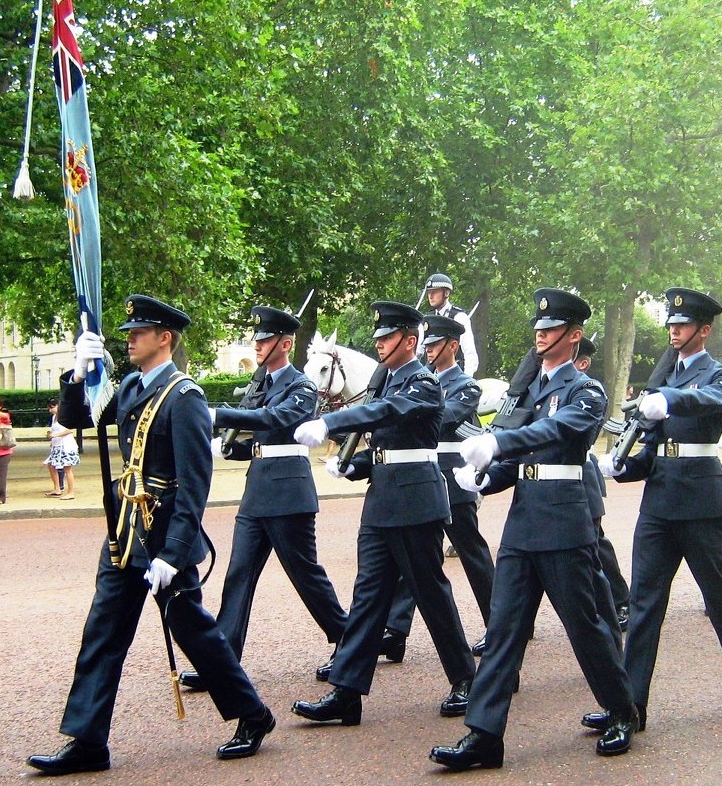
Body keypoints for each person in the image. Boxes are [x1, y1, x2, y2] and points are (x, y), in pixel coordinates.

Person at [27, 295, 274, 775]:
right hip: (124, 531)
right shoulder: (131, 388)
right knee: (103, 630)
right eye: (128, 333)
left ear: (165, 338)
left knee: (192, 631)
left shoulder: (186, 398)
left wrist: (176, 551)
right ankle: (88, 740)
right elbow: (81, 419)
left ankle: (252, 714)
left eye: (138, 333)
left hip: (163, 537)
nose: (130, 339)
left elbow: (194, 483)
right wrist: (79, 375)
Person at [429, 289, 636, 771]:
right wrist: (482, 476)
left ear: (574, 335)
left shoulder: (586, 390)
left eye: (551, 328)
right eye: (538, 329)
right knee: (503, 632)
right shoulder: (529, 391)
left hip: (565, 525)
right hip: (524, 526)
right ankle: (483, 735)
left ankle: (622, 709)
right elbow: (518, 461)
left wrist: (496, 442)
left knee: (584, 627)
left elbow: (554, 433)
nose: (540, 335)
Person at [291, 301, 475, 725]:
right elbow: (384, 448)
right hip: (382, 501)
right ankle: (347, 691)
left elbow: (386, 414)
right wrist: (350, 466)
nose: (379, 344)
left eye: (387, 337)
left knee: (430, 593)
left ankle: (466, 678)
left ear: (410, 341)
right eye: (377, 338)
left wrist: (331, 424)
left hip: (416, 503)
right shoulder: (387, 382)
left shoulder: (423, 383)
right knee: (368, 594)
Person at [598, 287, 722, 733]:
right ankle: (632, 705)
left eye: (682, 325)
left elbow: (715, 399)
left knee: (718, 595)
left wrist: (669, 400)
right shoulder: (663, 376)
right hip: (660, 500)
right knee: (644, 603)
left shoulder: (721, 374)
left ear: (704, 330)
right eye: (671, 324)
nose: (673, 331)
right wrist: (621, 466)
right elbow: (653, 446)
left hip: (700, 502)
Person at [178, 306, 347, 690]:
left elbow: (275, 420)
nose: (258, 345)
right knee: (238, 576)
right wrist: (230, 448)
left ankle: (349, 639)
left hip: (288, 492)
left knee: (306, 576)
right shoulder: (261, 383)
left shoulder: (301, 386)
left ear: (285, 345)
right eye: (256, 340)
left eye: (266, 340)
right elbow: (254, 440)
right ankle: (221, 662)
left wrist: (219, 414)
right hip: (257, 492)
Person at [380, 314, 496, 662]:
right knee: (413, 560)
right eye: (426, 345)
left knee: (473, 556)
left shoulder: (466, 385)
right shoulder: (415, 381)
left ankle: (500, 626)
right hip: (422, 480)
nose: (429, 351)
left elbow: (444, 421)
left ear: (453, 346)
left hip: (453, 478)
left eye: (435, 344)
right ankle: (396, 631)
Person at [575, 335, 631, 631]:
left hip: (582, 475)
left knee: (595, 545)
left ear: (582, 363)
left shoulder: (587, 391)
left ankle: (621, 601)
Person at [421, 273, 479, 376]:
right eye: (429, 292)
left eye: (435, 292)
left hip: (454, 373)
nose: (430, 296)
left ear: (446, 293)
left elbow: (470, 353)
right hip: (431, 372)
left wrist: (466, 380)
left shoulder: (459, 317)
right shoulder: (427, 319)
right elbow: (418, 351)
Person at [43, 398, 78, 500]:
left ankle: (71, 492)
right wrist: (50, 434)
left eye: (52, 407)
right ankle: (57, 488)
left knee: (67, 468)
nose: (50, 410)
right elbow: (53, 429)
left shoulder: (66, 415)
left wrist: (56, 435)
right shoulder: (54, 417)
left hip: (66, 445)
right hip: (57, 446)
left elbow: (70, 430)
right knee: (51, 465)